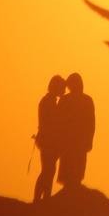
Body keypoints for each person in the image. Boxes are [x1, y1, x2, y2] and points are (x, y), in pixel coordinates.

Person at [58, 73, 95, 189]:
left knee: (76, 165)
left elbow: (91, 123)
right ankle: (71, 189)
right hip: (71, 141)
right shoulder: (85, 100)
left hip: (77, 141)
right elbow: (59, 122)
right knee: (71, 165)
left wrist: (89, 139)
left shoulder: (67, 100)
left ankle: (73, 188)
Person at [33, 75, 66, 203]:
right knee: (48, 170)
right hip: (48, 142)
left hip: (48, 142)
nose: (63, 90)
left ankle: (44, 196)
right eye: (62, 87)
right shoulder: (48, 102)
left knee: (49, 170)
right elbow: (51, 122)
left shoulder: (49, 101)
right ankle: (40, 198)